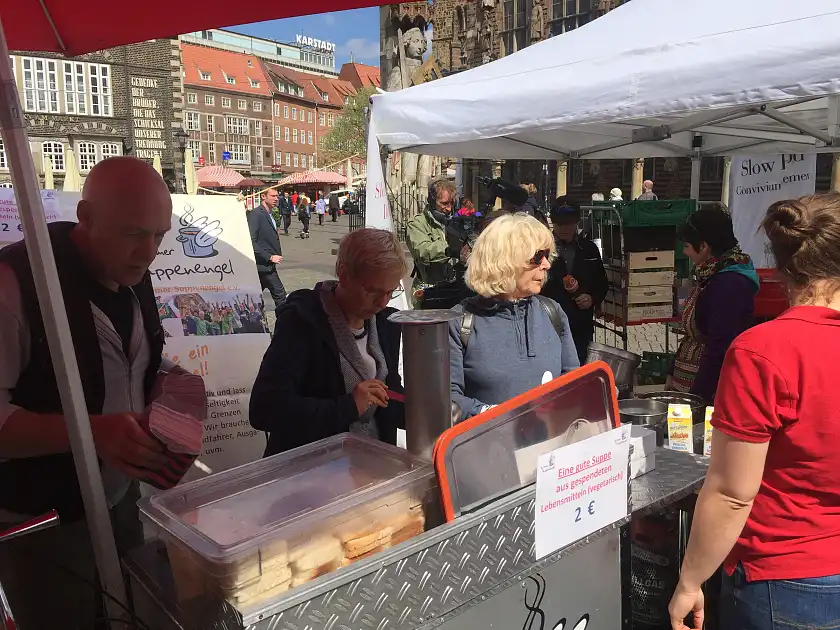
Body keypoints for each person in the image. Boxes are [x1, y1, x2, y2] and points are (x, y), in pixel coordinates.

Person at [0, 156, 205, 628]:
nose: (149, 252)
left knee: (132, 613)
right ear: (86, 217)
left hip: (118, 501)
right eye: (134, 234)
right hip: (41, 522)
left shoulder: (133, 274)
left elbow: (134, 363)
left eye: (159, 236)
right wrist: (89, 433)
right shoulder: (17, 284)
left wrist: (178, 389)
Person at [669, 192, 840, 630]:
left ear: (781, 268)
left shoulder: (763, 351)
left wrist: (690, 580)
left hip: (786, 574)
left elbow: (731, 493)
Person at [250, 228, 406, 455]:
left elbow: (387, 396)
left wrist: (423, 411)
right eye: (372, 290)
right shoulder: (302, 321)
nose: (382, 302)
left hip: (372, 466)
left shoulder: (385, 323)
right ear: (343, 273)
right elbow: (264, 409)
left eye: (390, 292)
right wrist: (348, 406)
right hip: (312, 468)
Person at [449, 213, 580, 420]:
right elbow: (447, 399)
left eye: (547, 255)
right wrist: (492, 415)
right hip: (488, 439)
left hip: (550, 439)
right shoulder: (458, 322)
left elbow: (573, 382)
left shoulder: (552, 312)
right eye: (538, 256)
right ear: (506, 261)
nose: (546, 264)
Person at [670, 208, 758, 402]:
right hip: (690, 381)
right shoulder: (709, 273)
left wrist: (696, 400)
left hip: (709, 393)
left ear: (703, 246)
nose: (685, 252)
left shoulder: (730, 285)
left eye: (687, 246)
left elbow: (719, 349)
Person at [542, 200, 609, 365]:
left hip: (581, 323)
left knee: (580, 366)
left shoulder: (589, 249)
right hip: (549, 321)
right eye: (560, 224)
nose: (564, 228)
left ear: (577, 222)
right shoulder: (543, 249)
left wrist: (592, 298)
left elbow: (601, 282)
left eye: (569, 224)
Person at [406, 178, 457, 306]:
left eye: (451, 203)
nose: (449, 208)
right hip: (428, 291)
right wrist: (450, 248)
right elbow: (422, 252)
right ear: (432, 201)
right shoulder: (417, 223)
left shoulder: (455, 222)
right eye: (444, 203)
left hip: (453, 289)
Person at [248, 188, 287, 309]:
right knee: (280, 295)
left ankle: (253, 315)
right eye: (273, 196)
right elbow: (251, 241)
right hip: (263, 264)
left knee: (255, 297)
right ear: (263, 197)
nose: (276, 199)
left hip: (266, 266)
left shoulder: (270, 213)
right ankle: (285, 318)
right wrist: (269, 257)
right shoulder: (256, 214)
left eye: (277, 196)